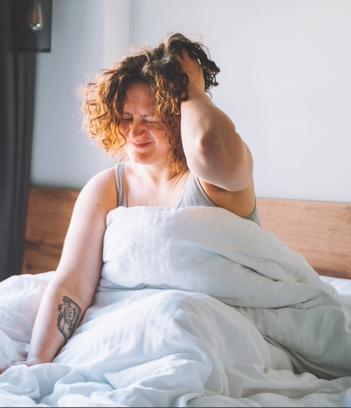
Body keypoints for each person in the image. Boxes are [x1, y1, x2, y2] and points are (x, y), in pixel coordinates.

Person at [18, 33, 260, 369]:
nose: (134, 132)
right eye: (126, 117)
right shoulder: (106, 189)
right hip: (124, 338)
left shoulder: (218, 179)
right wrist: (35, 361)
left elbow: (205, 145)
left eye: (149, 119)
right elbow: (71, 285)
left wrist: (189, 88)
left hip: (208, 338)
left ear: (178, 117)